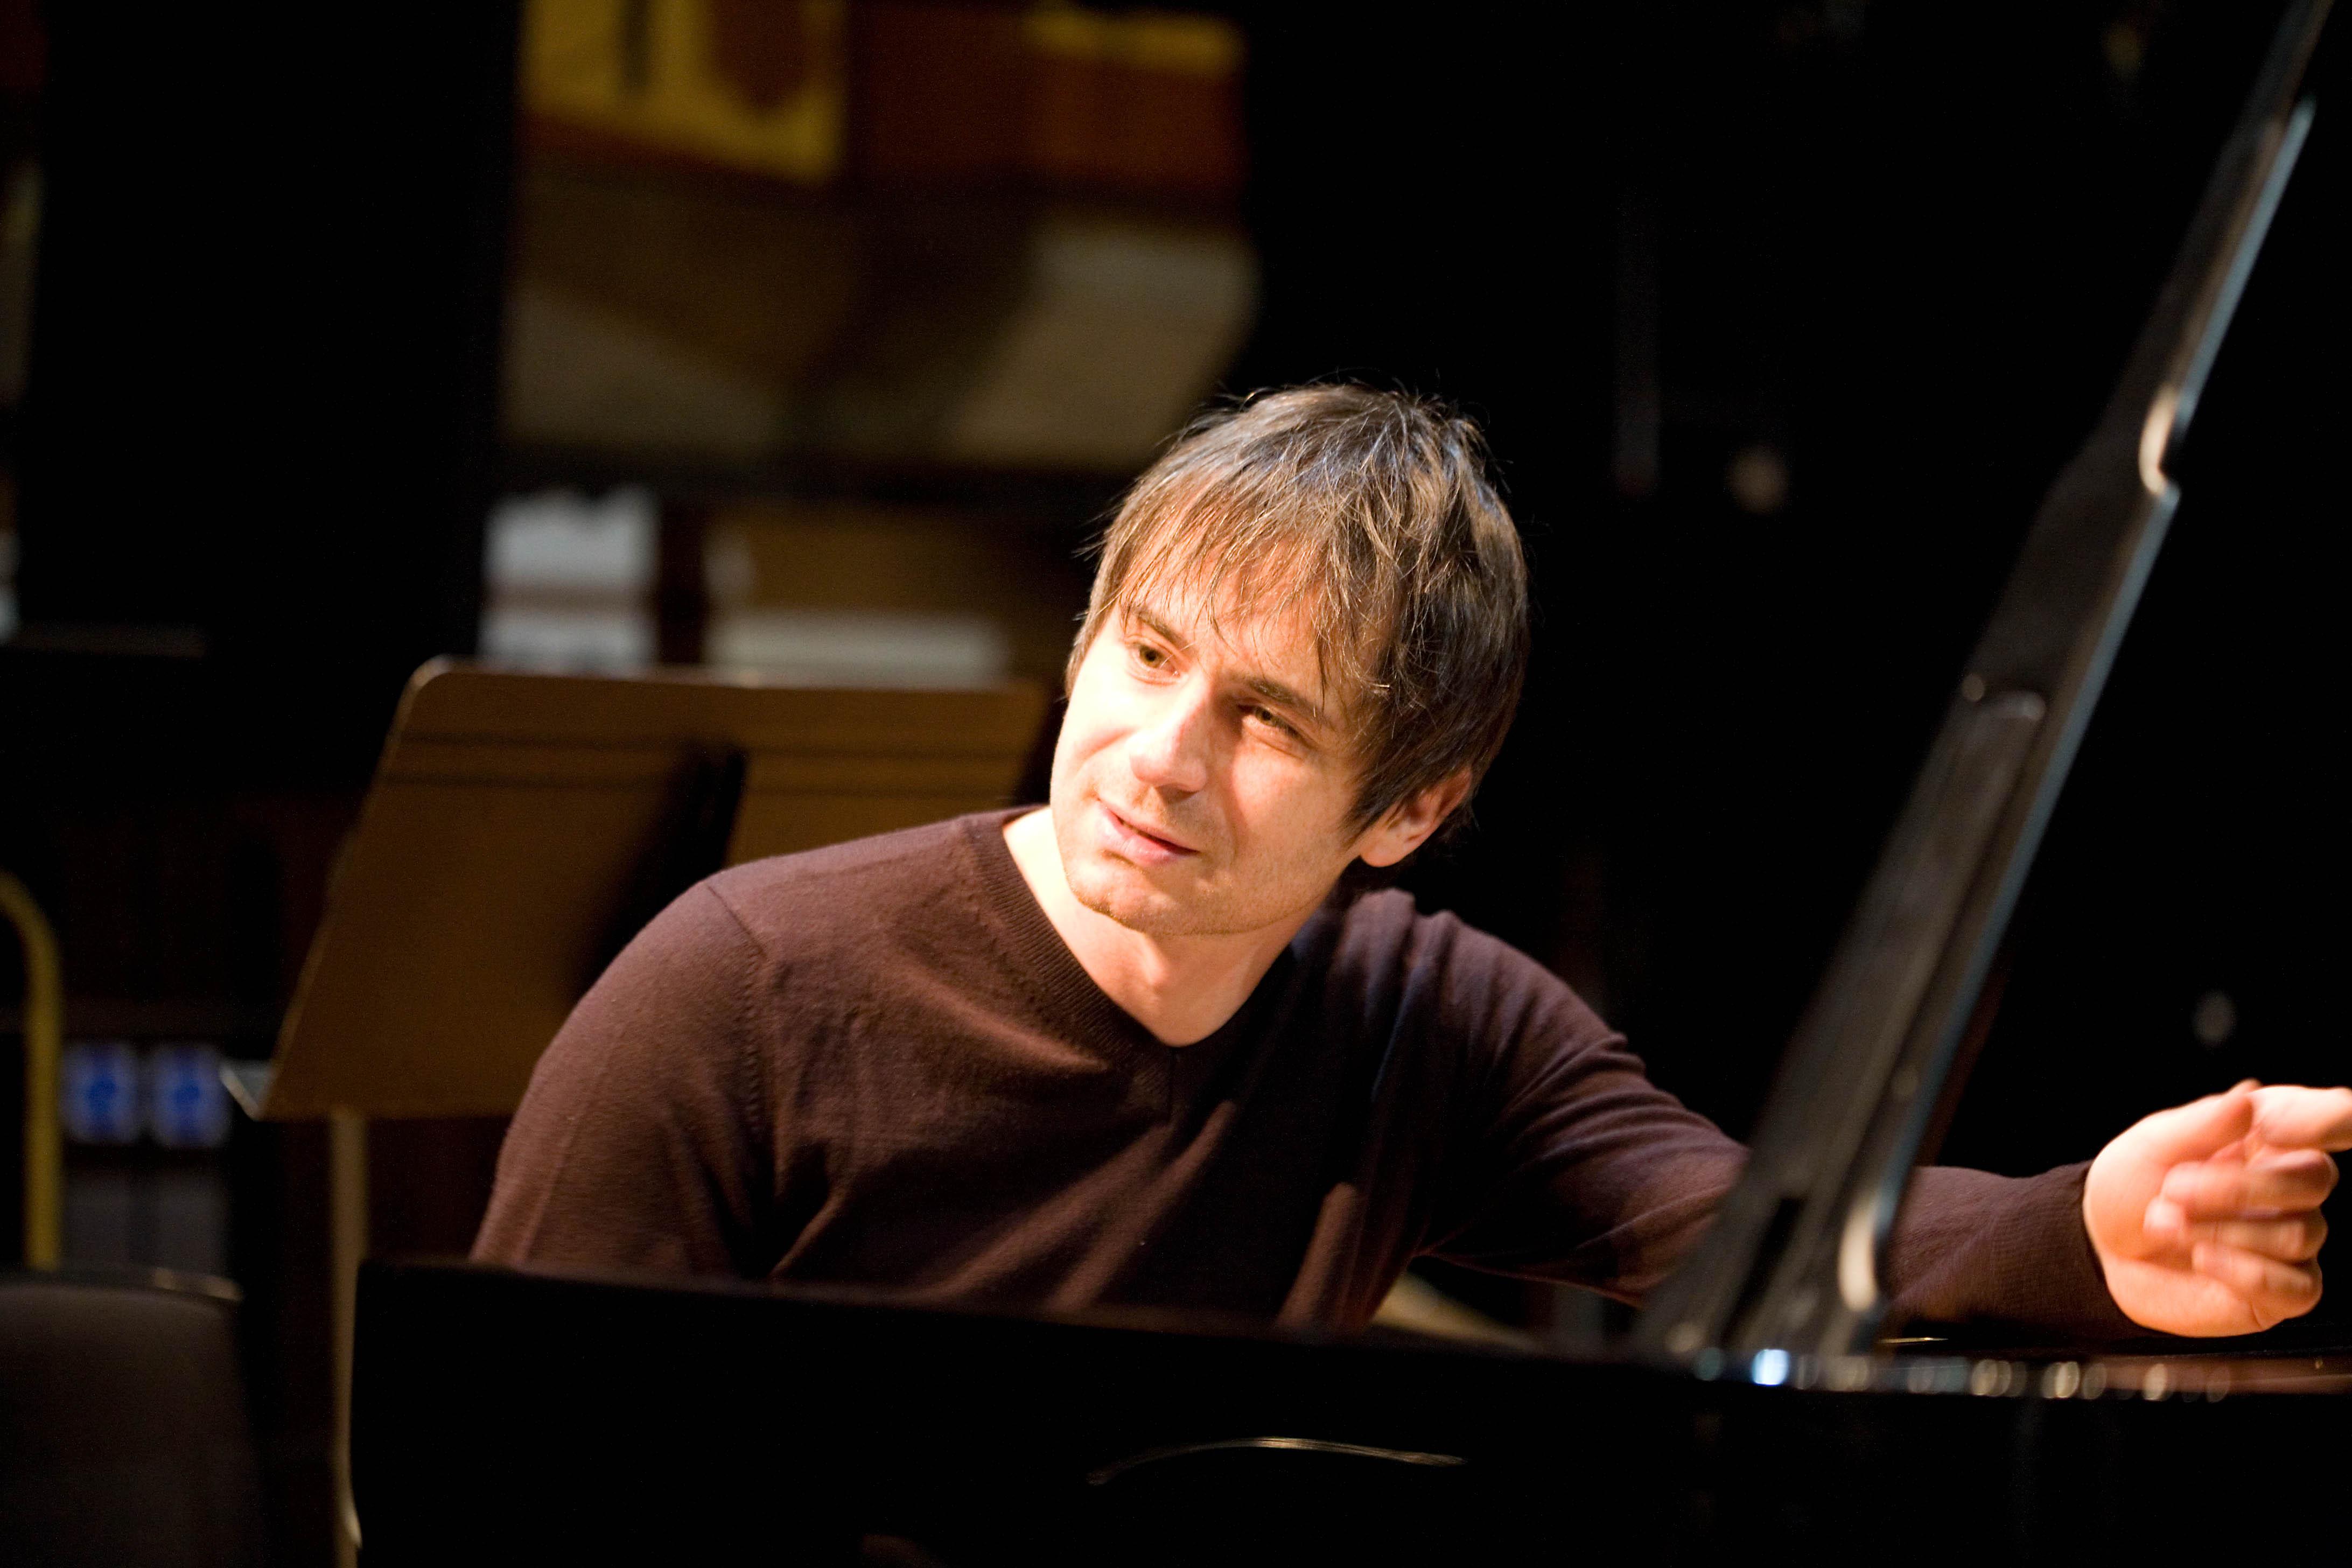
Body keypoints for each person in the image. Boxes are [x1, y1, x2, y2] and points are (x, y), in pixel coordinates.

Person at [474, 384, 2347, 1341]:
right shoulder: (742, 992)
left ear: (1409, 814)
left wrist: (2078, 1227)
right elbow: (499, 1475)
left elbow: (1741, 1226)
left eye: (1267, 722)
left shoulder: (1416, 1026)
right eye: (1146, 655)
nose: (1163, 753)